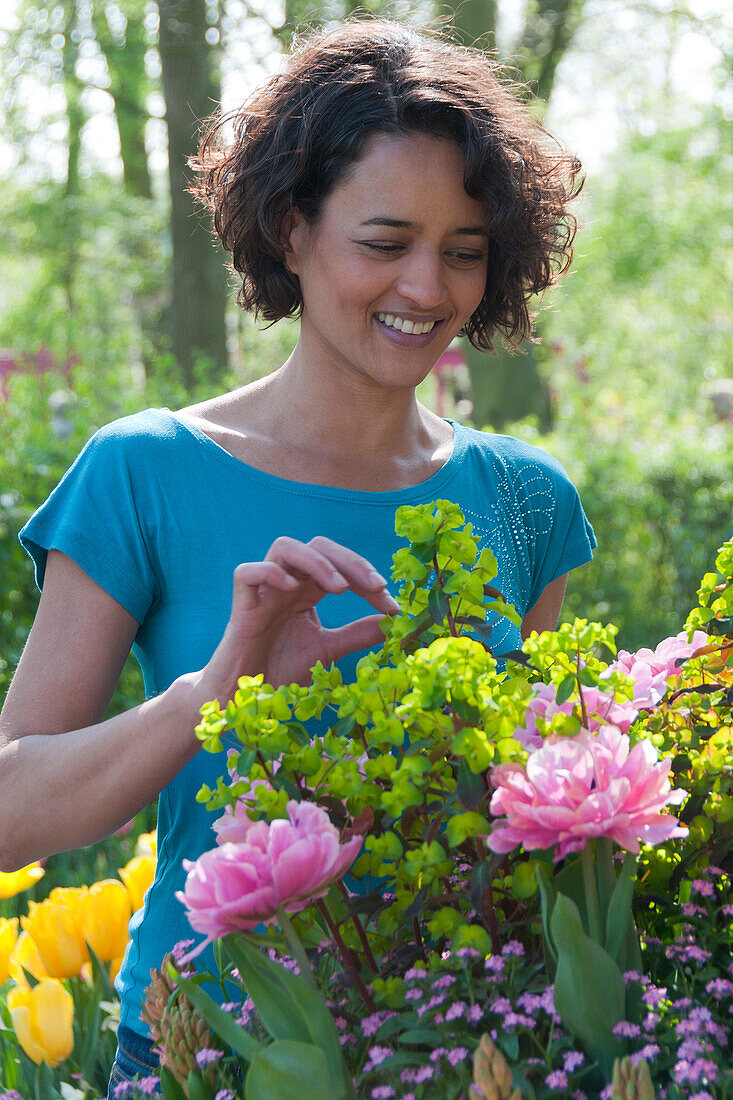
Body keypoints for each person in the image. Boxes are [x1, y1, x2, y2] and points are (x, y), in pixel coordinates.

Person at [0, 18, 596, 1095]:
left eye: (463, 249)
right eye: (384, 241)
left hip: (466, 1050)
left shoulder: (524, 500)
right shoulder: (144, 470)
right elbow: (10, 813)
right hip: (208, 1054)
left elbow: (534, 821)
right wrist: (214, 691)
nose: (428, 286)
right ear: (289, 228)